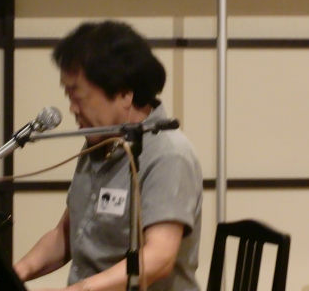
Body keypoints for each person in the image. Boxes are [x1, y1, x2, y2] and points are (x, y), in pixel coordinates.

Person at [14, 20, 203, 291]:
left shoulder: (169, 155)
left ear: (125, 94)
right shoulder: (101, 141)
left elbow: (159, 258)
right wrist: (13, 274)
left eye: (79, 97)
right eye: (69, 96)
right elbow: (66, 235)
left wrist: (79, 290)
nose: (72, 108)